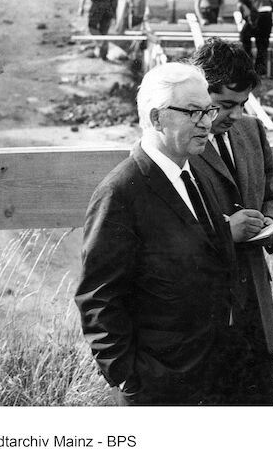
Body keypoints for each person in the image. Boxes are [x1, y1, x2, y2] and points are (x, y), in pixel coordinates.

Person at [74, 62, 237, 405]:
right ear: (156, 117)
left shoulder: (196, 175)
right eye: (193, 112)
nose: (207, 122)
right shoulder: (120, 192)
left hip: (211, 380)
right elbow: (98, 298)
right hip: (157, 392)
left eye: (208, 110)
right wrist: (129, 378)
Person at [187, 38, 273, 405]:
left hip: (255, 317)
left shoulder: (250, 131)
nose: (234, 115)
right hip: (204, 321)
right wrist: (224, 232)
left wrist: (269, 223)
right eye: (225, 105)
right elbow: (165, 227)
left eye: (243, 104)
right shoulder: (178, 143)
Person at [235, 0, 273, 77]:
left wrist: (245, 19)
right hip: (268, 15)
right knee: (262, 44)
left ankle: (248, 66)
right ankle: (260, 72)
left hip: (258, 15)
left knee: (244, 37)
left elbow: (242, 6)